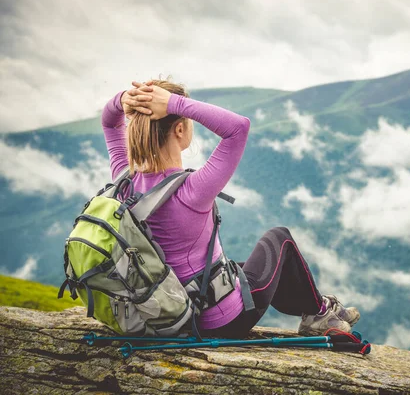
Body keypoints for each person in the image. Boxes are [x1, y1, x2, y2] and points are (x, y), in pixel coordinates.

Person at [102, 78, 360, 339]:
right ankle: (319, 313)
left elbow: (108, 121)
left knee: (240, 266)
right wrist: (174, 102)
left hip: (166, 312)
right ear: (180, 130)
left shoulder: (125, 180)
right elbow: (238, 127)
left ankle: (319, 307)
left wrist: (125, 98)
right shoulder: (192, 189)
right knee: (279, 239)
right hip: (218, 321)